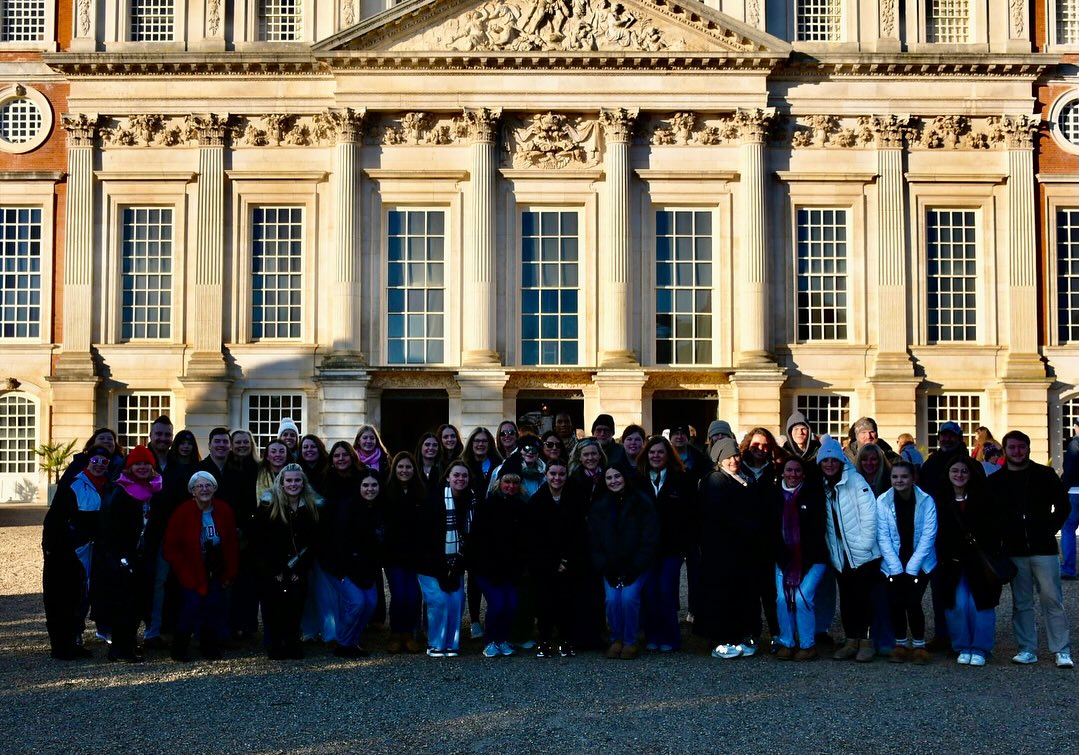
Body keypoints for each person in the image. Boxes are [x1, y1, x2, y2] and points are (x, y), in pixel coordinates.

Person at [994, 430, 1073, 668]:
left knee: (1052, 599)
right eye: (1012, 447)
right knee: (1022, 602)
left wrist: (1049, 529)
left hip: (1043, 547)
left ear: (1028, 448)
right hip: (1015, 548)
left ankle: (1061, 649)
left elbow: (1063, 506)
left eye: (1021, 447)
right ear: (1005, 451)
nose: (1017, 452)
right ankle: (1027, 648)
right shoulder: (997, 481)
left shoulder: (1045, 474)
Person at [696, 439, 768, 660]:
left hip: (744, 549)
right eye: (728, 456)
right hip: (723, 549)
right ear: (719, 459)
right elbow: (722, 515)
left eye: (736, 455)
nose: (733, 460)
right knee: (723, 594)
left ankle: (742, 635)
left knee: (743, 593)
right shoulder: (716, 480)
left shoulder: (744, 477)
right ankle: (723, 638)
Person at [934, 456, 1007, 666]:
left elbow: (994, 529)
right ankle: (962, 645)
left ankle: (981, 648)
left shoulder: (985, 497)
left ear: (971, 474)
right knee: (957, 604)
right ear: (948, 474)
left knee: (980, 604)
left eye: (964, 471)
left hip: (979, 561)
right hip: (952, 562)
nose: (959, 475)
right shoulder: (940, 498)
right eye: (954, 471)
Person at [817, 434, 881, 663]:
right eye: (825, 461)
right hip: (839, 554)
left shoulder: (855, 481)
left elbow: (869, 515)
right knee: (846, 599)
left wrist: (863, 546)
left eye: (833, 460)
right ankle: (851, 639)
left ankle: (866, 642)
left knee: (863, 599)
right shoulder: (822, 485)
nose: (829, 464)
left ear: (841, 461)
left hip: (862, 554)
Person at [42, 446, 111, 660]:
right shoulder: (74, 485)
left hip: (92, 548)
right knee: (64, 597)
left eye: (104, 461)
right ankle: (62, 646)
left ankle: (71, 640)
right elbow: (55, 519)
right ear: (88, 462)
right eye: (95, 460)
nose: (99, 464)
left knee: (80, 595)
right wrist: (52, 549)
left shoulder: (109, 486)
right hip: (69, 549)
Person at [163, 471, 240, 661]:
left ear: (214, 489)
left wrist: (230, 571)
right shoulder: (182, 512)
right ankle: (179, 647)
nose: (204, 489)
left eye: (208, 486)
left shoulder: (223, 509)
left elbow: (231, 542)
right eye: (200, 486)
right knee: (192, 605)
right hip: (190, 566)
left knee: (213, 606)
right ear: (192, 491)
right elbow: (171, 546)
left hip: (214, 566)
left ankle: (209, 645)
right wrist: (183, 569)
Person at [97, 445, 162, 662]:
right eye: (138, 464)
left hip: (143, 554)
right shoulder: (122, 491)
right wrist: (120, 557)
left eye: (146, 463)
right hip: (124, 556)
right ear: (130, 467)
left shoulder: (153, 489)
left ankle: (128, 644)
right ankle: (120, 649)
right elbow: (111, 528)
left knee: (138, 603)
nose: (142, 467)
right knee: (124, 603)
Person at [252, 464, 320, 660]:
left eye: (297, 480)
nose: (293, 484)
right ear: (281, 483)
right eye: (289, 480)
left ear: (303, 482)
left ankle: (292, 642)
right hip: (273, 567)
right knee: (274, 605)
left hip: (300, 566)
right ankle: (275, 643)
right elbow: (261, 541)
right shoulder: (268, 505)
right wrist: (276, 569)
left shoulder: (310, 506)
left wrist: (302, 567)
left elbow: (315, 541)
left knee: (296, 603)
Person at [589, 467, 658, 660]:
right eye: (609, 477)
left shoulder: (641, 502)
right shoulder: (600, 505)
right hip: (610, 566)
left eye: (617, 476)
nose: (613, 481)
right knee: (612, 600)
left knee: (629, 598)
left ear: (625, 477)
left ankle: (630, 640)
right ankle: (616, 638)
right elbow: (594, 540)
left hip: (636, 566)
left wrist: (636, 566)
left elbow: (649, 538)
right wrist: (604, 566)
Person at [526, 462, 591, 658]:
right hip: (544, 563)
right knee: (545, 602)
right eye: (553, 474)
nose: (557, 478)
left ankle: (566, 640)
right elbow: (534, 537)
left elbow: (580, 533)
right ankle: (544, 640)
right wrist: (553, 561)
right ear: (546, 475)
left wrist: (567, 560)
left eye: (561, 474)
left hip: (569, 561)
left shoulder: (575, 499)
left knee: (567, 602)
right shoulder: (536, 501)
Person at [876, 461, 937, 664]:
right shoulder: (883, 501)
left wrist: (911, 568)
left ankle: (919, 645)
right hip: (893, 562)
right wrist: (895, 567)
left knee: (913, 602)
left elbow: (928, 535)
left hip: (920, 562)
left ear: (913, 478)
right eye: (895, 477)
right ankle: (900, 644)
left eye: (904, 476)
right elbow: (882, 536)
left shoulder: (926, 501)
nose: (899, 480)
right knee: (896, 603)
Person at [637, 435, 692, 652]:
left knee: (666, 590)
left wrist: (684, 544)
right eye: (652, 452)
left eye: (660, 452)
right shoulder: (638, 479)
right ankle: (652, 634)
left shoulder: (681, 479)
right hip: (646, 548)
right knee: (649, 591)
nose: (656, 456)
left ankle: (670, 636)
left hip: (671, 547)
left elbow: (688, 514)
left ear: (668, 455)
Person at [770, 456, 828, 661]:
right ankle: (787, 641)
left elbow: (817, 530)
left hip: (813, 558)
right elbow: (771, 531)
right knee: (782, 598)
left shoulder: (813, 495)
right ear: (782, 472)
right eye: (789, 470)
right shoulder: (775, 496)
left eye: (797, 470)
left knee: (803, 598)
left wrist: (803, 563)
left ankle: (807, 644)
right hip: (783, 558)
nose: (793, 474)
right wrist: (783, 557)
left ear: (803, 473)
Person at [322, 468, 382, 658]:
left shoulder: (380, 509)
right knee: (356, 602)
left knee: (371, 603)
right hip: (342, 566)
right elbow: (340, 543)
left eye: (374, 485)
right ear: (359, 487)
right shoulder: (347, 508)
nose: (370, 489)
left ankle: (354, 641)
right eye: (365, 485)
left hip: (367, 568)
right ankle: (343, 643)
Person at [417, 461, 474, 657]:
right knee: (439, 601)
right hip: (430, 564)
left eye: (464, 476)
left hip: (455, 563)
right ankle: (435, 643)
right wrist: (442, 571)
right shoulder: (434, 500)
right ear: (448, 477)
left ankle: (451, 644)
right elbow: (426, 539)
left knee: (456, 600)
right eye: (456, 475)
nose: (460, 479)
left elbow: (470, 539)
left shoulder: (471, 501)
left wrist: (457, 567)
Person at [470, 472, 527, 658]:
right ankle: (490, 640)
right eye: (507, 482)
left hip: (511, 569)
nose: (511, 486)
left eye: (515, 482)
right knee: (497, 604)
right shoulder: (487, 506)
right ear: (499, 483)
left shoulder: (521, 506)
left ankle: (503, 639)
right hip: (488, 567)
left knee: (511, 604)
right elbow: (479, 540)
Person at [382, 451, 425, 654]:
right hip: (394, 554)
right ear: (394, 469)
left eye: (408, 467)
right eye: (400, 467)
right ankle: (396, 633)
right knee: (399, 595)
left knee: (414, 595)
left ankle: (409, 634)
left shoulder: (420, 492)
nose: (404, 471)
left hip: (415, 553)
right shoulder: (386, 492)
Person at [59, 428, 126, 486]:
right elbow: (64, 486)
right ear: (93, 443)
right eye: (101, 438)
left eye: (110, 439)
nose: (106, 441)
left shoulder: (123, 465)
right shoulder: (79, 463)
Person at [1062, 419, 1079, 581]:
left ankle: (1068, 568)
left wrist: (1061, 489)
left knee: (1068, 530)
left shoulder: (1075, 445)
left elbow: (1069, 470)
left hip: (1075, 491)